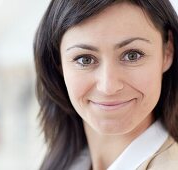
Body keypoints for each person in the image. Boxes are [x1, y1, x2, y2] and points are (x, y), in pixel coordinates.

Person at [33, 0, 178, 169]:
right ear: (58, 62)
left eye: (132, 55)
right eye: (85, 59)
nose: (108, 87)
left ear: (167, 52)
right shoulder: (64, 161)